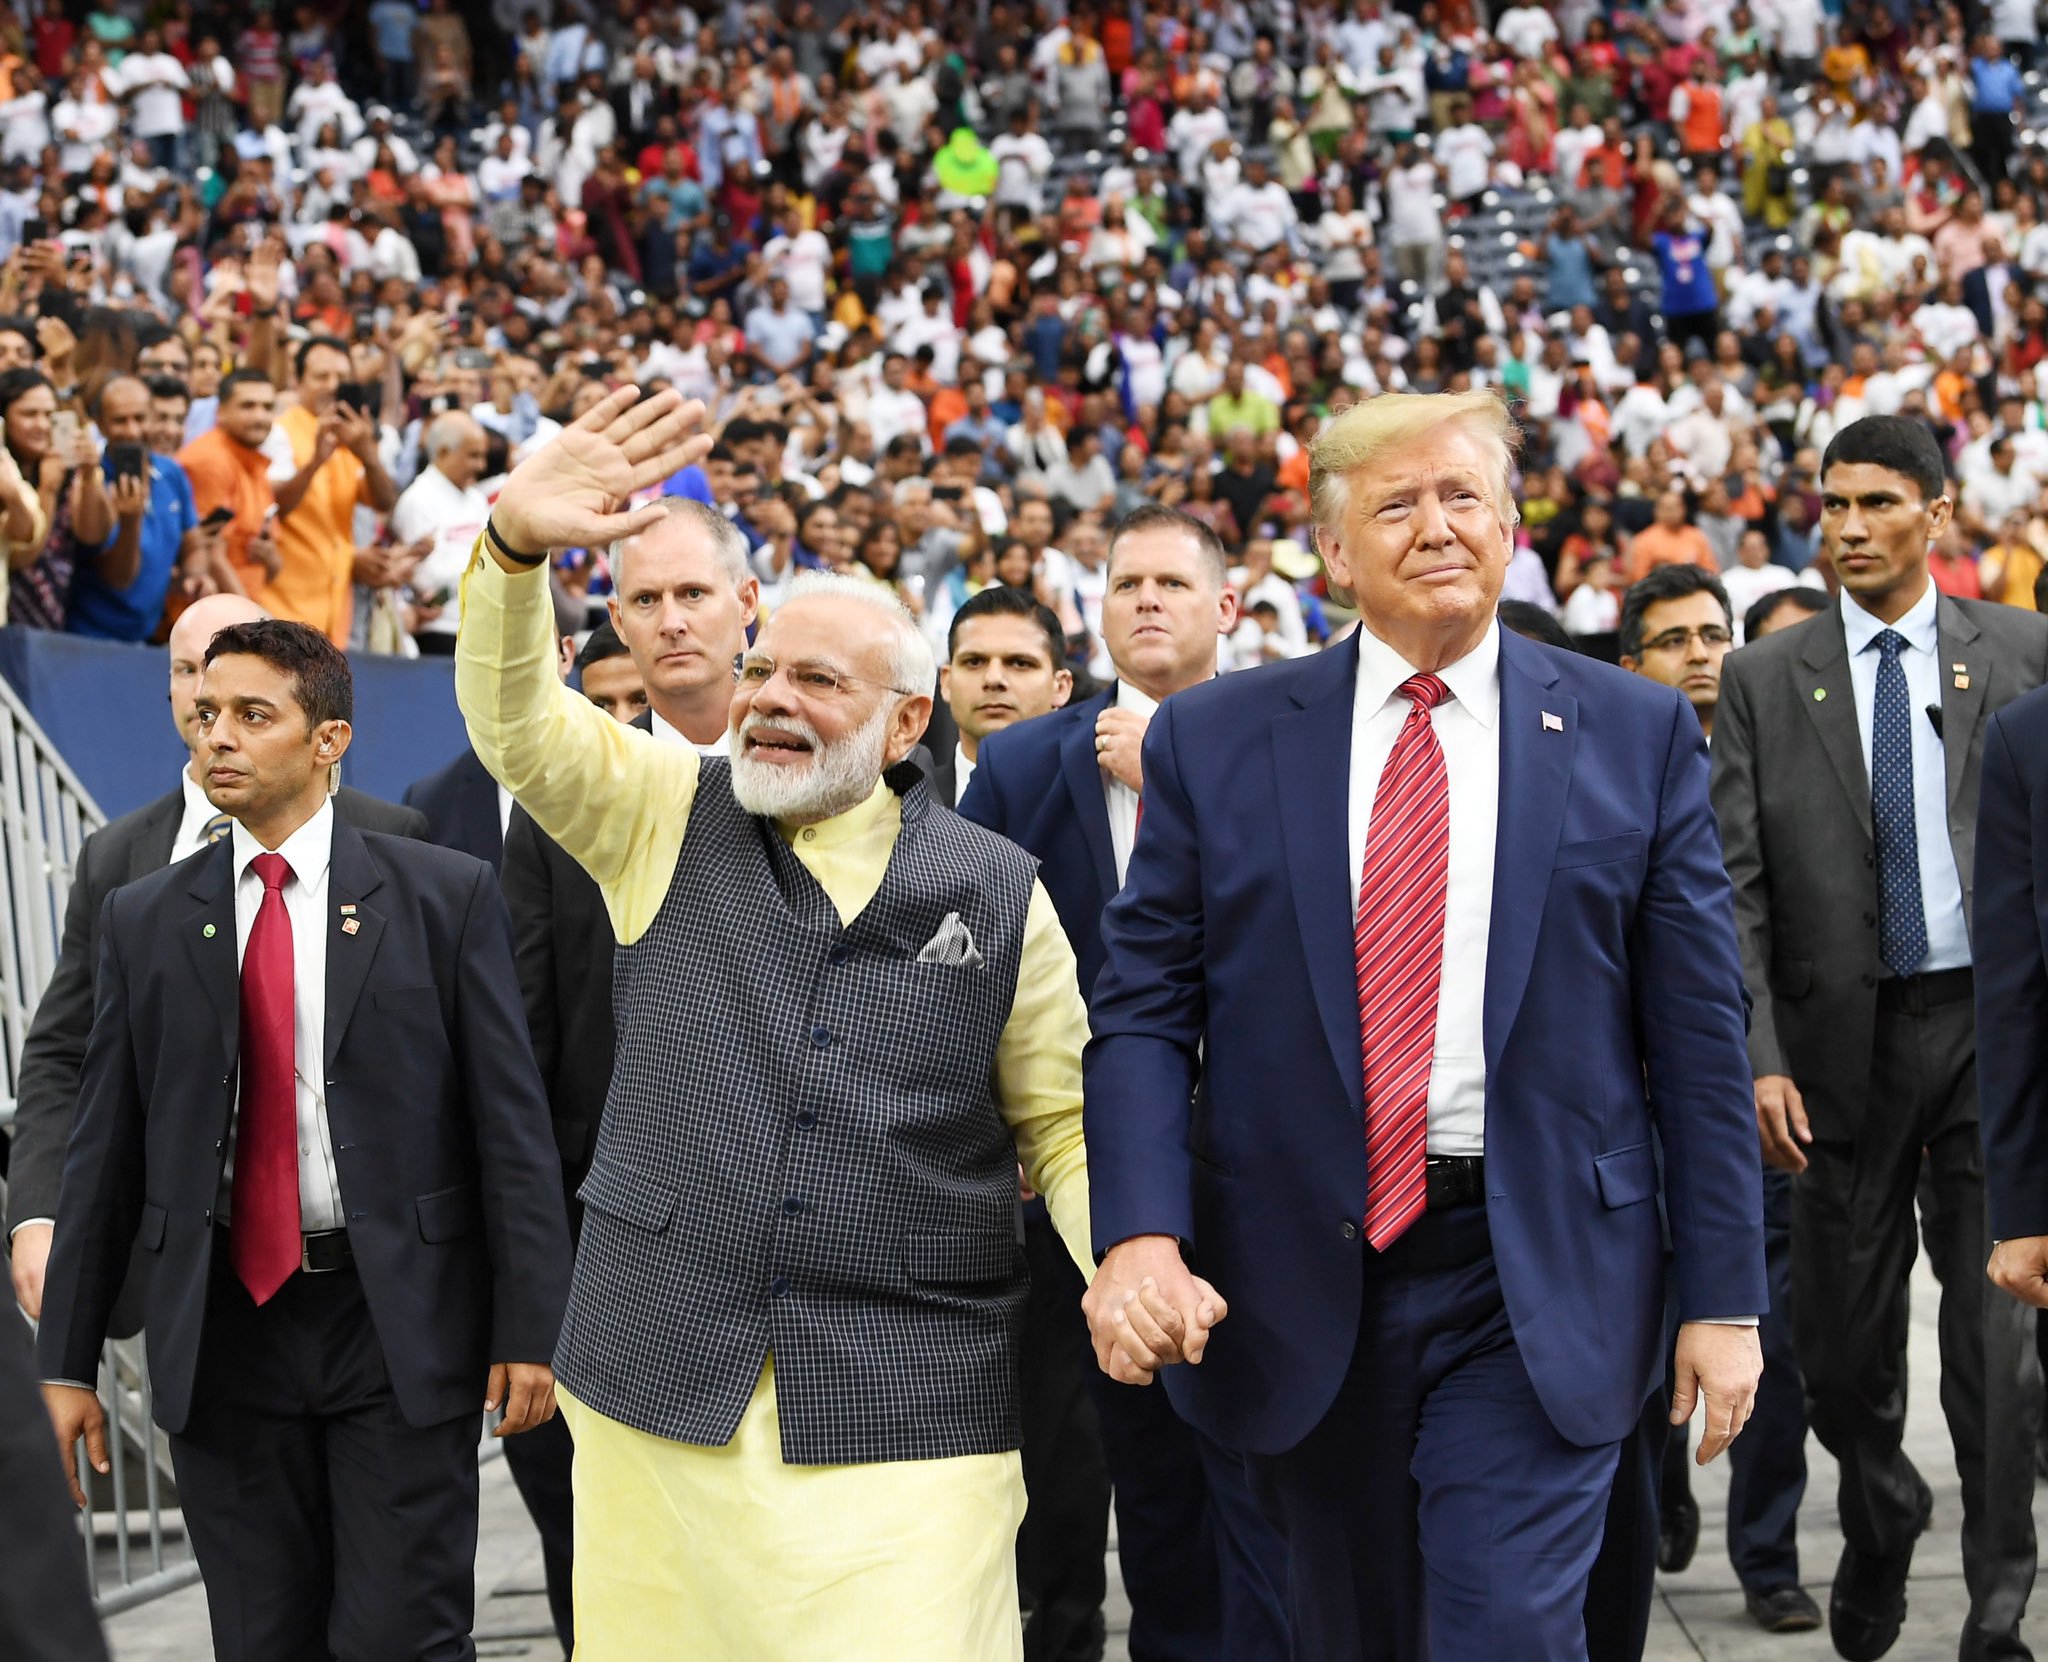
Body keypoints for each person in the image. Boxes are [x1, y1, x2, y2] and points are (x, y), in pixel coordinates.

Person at [1080, 389, 1765, 1660]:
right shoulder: (1216, 742)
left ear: (1510, 529)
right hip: (1292, 1276)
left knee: (1502, 1624)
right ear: (1333, 554)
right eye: (1396, 503)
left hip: (1539, 1269)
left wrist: (1723, 1297)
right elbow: (1138, 1014)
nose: (1436, 526)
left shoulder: (1634, 730)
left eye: (1463, 497)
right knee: (1350, 1632)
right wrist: (1137, 1235)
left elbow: (1695, 1039)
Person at [454, 385, 1096, 1662]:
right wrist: (514, 551)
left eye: (813, 677)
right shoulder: (658, 810)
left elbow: (1064, 1123)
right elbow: (517, 726)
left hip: (911, 1398)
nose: (766, 697)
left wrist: (1125, 1261)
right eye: (758, 671)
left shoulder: (996, 890)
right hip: (657, 1386)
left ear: (909, 721)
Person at [36, 619, 572, 1662]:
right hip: (222, 1332)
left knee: (401, 1635)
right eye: (204, 715)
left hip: (395, 1321)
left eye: (251, 715)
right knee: (262, 1638)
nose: (217, 738)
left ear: (329, 740)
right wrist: (65, 1365)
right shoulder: (146, 917)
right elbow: (104, 1149)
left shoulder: (439, 893)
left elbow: (508, 1129)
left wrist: (528, 1326)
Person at [1711, 414, 2048, 1662]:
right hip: (1827, 1054)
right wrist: (1756, 1049)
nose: (1847, 527)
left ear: (1937, 514)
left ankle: (1999, 1603)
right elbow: (1729, 887)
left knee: (1996, 1348)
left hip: (1988, 1035)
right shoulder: (1762, 677)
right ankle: (1879, 1505)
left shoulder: (2019, 653)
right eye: (1831, 505)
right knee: (1835, 1359)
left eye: (1875, 504)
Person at [963, 504, 1291, 1662]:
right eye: (1123, 584)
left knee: (1282, 1471)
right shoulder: (1014, 765)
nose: (1145, 600)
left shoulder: (1292, 742)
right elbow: (971, 963)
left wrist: (1174, 780)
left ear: (1227, 608)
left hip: (1274, 1162)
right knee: (1139, 1471)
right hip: (1092, 1173)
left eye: (1169, 582)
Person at [5, 593, 427, 1322]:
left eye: (234, 673)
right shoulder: (116, 860)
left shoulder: (394, 842)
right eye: (189, 671)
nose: (210, 696)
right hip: (184, 1288)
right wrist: (38, 1214)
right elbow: (62, 1054)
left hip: (370, 1279)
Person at [494, 497, 755, 1655]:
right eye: (642, 601)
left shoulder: (862, 777)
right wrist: (534, 1290)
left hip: (818, 1275)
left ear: (748, 603)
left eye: (691, 593)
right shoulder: (563, 815)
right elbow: (522, 1064)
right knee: (620, 1583)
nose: (669, 620)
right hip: (618, 1266)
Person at [1615, 560, 1818, 1633]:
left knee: (1765, 1344)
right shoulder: (1600, 763)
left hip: (1749, 1105)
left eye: (1711, 635)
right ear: (1628, 663)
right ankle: (1658, 1498)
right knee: (1637, 1347)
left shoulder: (1776, 766)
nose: (1700, 654)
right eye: (1673, 639)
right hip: (1626, 1119)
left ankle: (1767, 1556)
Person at [268, 336, 399, 646]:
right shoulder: (279, 432)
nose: (332, 385)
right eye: (321, 376)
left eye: (341, 378)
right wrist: (315, 462)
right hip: (280, 612)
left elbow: (382, 501)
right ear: (297, 380)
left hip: (334, 621)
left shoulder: (350, 437)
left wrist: (368, 454)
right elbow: (277, 508)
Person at [67, 374, 205, 642]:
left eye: (140, 418)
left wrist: (196, 573)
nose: (132, 431)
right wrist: (130, 522)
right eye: (120, 420)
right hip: (89, 638)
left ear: (153, 418)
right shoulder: (90, 482)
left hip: (144, 639)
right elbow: (118, 579)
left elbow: (195, 545)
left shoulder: (171, 473)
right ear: (101, 425)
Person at [932, 583, 1073, 807]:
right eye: (974, 662)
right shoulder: (899, 806)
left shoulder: (1096, 804)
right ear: (946, 682)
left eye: (1020, 663)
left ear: (1060, 686)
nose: (993, 679)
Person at [177, 370, 285, 606]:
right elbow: (211, 555)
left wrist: (271, 558)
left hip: (240, 615)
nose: (260, 416)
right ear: (221, 412)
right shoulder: (210, 460)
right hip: (214, 622)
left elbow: (272, 561)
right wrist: (253, 623)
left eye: (268, 407)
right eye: (248, 406)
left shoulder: (253, 461)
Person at [387, 410, 491, 655]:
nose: (481, 466)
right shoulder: (417, 499)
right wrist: (478, 569)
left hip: (480, 629)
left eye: (483, 456)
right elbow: (425, 579)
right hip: (439, 631)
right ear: (444, 452)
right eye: (473, 456)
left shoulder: (476, 499)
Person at [1618, 563, 1736, 741]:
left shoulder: (1776, 749)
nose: (1699, 655)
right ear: (1632, 668)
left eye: (1714, 637)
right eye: (1675, 641)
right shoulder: (1605, 761)